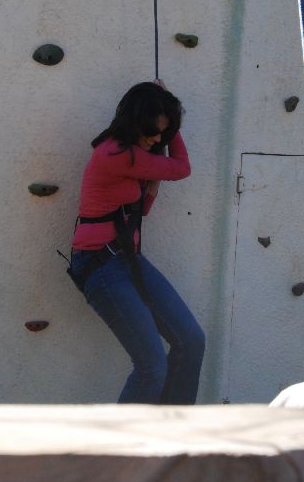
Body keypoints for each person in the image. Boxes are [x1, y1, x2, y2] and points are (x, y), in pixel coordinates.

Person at [68, 80, 205, 404]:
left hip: (127, 260)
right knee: (151, 367)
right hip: (101, 265)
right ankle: (123, 438)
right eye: (154, 131)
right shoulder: (117, 153)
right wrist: (167, 149)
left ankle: (172, 428)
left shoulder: (132, 153)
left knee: (191, 341)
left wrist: (152, 184)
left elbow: (138, 211)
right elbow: (182, 168)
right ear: (134, 121)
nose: (158, 139)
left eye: (164, 133)